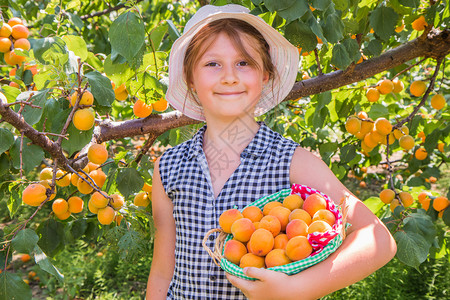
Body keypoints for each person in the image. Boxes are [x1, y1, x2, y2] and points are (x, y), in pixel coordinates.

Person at [146, 4, 397, 300]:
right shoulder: (169, 167)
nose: (229, 76)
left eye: (244, 63)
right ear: (190, 79)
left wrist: (296, 289)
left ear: (265, 75)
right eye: (212, 64)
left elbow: (377, 237)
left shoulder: (291, 161)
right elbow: (163, 270)